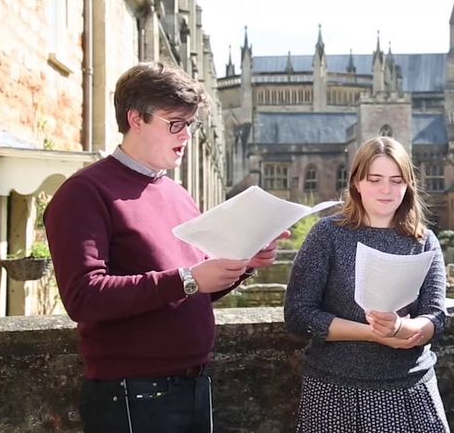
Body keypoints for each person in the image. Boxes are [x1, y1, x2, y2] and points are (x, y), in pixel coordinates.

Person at [44, 62, 281, 433]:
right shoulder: (84, 193)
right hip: (132, 395)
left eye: (190, 124)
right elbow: (84, 297)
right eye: (175, 123)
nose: (186, 135)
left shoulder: (177, 193)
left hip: (195, 385)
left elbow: (195, 288)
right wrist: (188, 279)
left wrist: (243, 261)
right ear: (136, 118)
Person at [284, 136, 449, 433]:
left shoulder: (424, 241)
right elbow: (298, 314)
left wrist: (403, 329)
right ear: (357, 183)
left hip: (410, 389)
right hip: (334, 392)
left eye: (396, 180)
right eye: (375, 179)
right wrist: (376, 334)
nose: (386, 190)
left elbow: (436, 317)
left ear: (408, 185)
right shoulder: (327, 235)